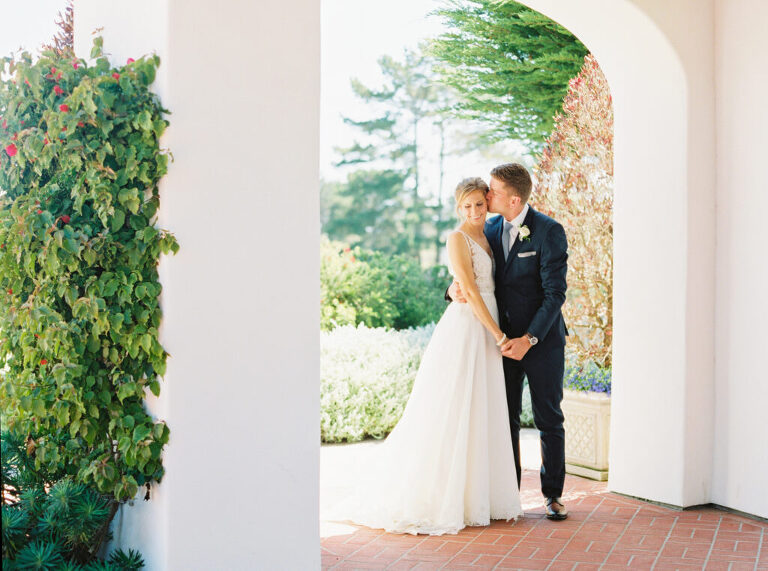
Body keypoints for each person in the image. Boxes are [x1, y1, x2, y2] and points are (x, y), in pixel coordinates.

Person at [325, 177, 523, 535]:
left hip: (489, 321)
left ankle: (478, 495)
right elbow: (472, 291)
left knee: (482, 407)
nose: (475, 211)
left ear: (487, 203)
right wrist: (497, 333)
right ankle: (443, 496)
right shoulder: (456, 238)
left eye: (480, 204)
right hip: (469, 327)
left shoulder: (491, 233)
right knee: (453, 405)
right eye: (467, 206)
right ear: (457, 207)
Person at [448, 163, 569, 521]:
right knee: (506, 419)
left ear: (514, 198)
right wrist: (452, 290)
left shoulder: (549, 232)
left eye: (493, 191)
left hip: (541, 341)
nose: (486, 195)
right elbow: (472, 273)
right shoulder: (489, 227)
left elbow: (555, 295)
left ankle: (553, 496)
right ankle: (508, 495)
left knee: (549, 418)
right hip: (498, 343)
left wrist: (528, 339)